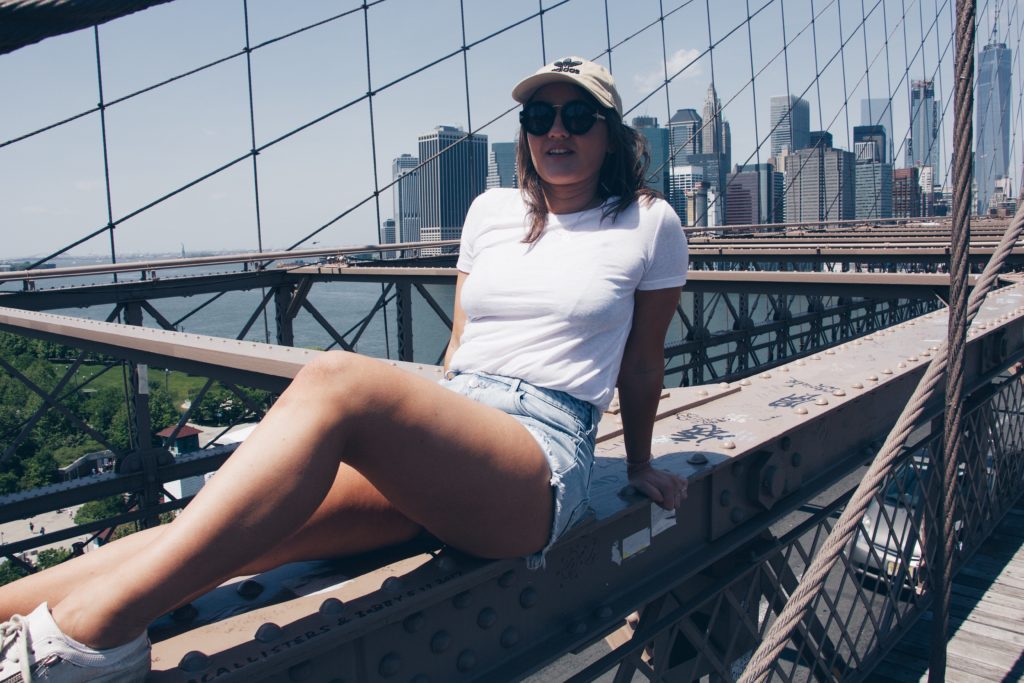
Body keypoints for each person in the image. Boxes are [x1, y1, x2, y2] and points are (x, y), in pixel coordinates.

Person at [0, 56, 688, 681]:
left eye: (576, 116)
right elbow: (460, 346)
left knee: (338, 381)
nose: (555, 132)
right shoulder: (490, 212)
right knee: (215, 530)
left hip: (536, 461)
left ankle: (94, 638)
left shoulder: (649, 221)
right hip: (458, 436)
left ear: (609, 132)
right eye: (539, 117)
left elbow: (644, 360)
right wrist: (427, 445)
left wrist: (637, 463)